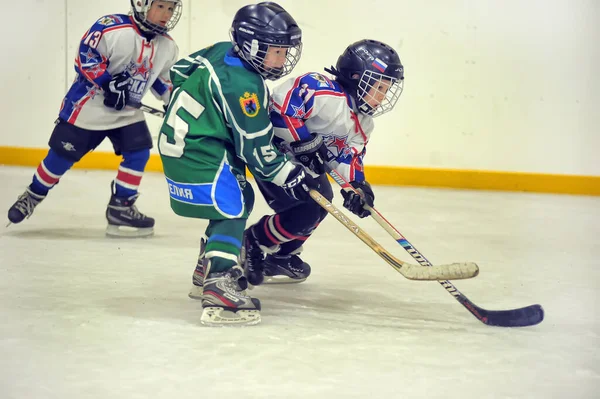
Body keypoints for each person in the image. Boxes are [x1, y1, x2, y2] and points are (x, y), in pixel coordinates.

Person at [158, 2, 321, 326]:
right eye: (276, 51)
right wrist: (293, 174)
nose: (282, 59)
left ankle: (207, 265)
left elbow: (179, 72)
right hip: (199, 152)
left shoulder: (220, 50)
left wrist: (190, 104)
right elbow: (256, 151)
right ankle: (219, 283)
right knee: (232, 208)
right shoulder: (245, 86)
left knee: (236, 202)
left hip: (192, 144)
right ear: (251, 45)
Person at [6, 0, 183, 237]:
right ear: (142, 4)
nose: (166, 14)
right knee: (60, 157)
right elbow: (86, 57)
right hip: (88, 108)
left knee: (139, 151)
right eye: (161, 6)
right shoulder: (112, 28)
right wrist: (107, 83)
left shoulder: (167, 46)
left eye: (171, 9)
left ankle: (122, 205)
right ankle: (34, 194)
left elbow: (161, 80)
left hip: (127, 113)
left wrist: (175, 101)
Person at [242, 39, 404, 285]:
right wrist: (302, 142)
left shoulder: (364, 123)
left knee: (324, 201)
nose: (383, 97)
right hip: (274, 157)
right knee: (305, 210)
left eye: (386, 89)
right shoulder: (320, 89)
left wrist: (357, 186)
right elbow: (280, 108)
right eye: (379, 87)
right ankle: (254, 239)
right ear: (356, 76)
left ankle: (283, 256)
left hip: (303, 165)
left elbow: (347, 155)